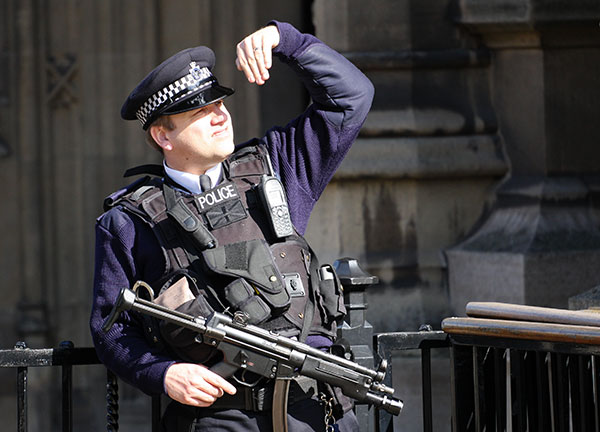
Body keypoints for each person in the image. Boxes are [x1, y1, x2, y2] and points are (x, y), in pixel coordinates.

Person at [90, 20, 374, 432]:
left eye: (219, 104)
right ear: (162, 135)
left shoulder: (276, 165)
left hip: (315, 405)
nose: (219, 116)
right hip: (221, 415)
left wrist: (286, 40)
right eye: (199, 111)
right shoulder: (128, 221)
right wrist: (164, 374)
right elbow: (112, 330)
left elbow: (352, 98)